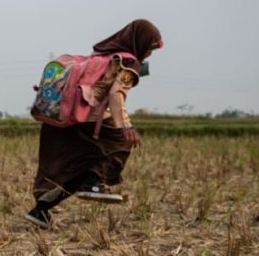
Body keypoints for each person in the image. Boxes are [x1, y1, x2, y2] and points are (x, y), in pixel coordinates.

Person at [26, 19, 163, 229]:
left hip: (64, 117)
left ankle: (40, 210)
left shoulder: (102, 56)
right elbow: (117, 94)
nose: (150, 54)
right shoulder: (128, 62)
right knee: (120, 144)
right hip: (88, 119)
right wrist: (126, 126)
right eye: (150, 48)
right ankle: (93, 184)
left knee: (78, 168)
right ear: (141, 42)